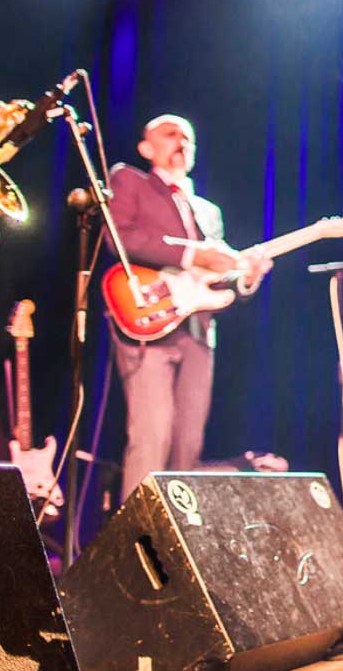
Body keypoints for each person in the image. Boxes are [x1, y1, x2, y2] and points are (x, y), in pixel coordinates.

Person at [105, 115, 272, 499]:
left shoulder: (208, 211)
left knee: (188, 444)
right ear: (146, 148)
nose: (181, 141)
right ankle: (136, 533)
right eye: (170, 134)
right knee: (152, 437)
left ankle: (174, 529)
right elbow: (121, 237)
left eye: (188, 137)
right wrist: (193, 253)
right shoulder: (130, 180)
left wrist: (247, 277)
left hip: (198, 331)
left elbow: (215, 279)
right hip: (147, 322)